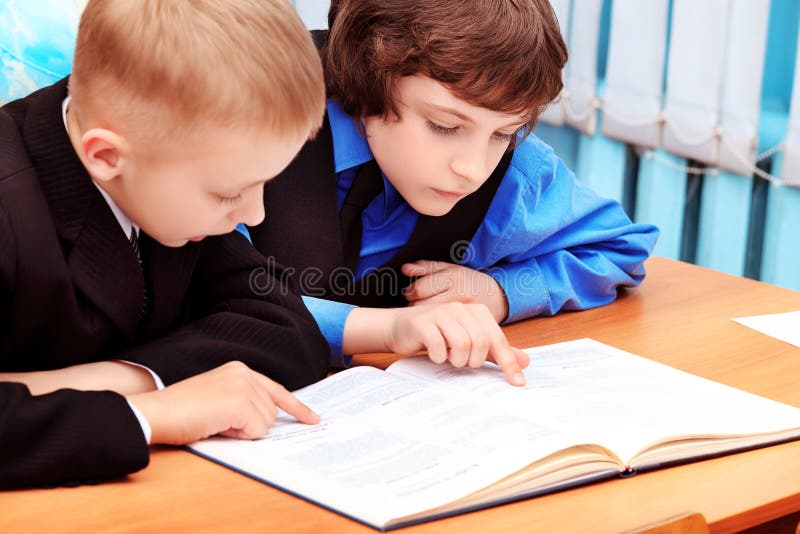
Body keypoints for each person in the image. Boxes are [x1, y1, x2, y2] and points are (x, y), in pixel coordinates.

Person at [0, 0, 330, 490]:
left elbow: (285, 327)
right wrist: (151, 413)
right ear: (107, 155)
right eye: (229, 193)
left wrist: (117, 380)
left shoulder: (163, 167)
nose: (254, 215)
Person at [248, 0, 659, 371]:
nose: (474, 169)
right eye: (445, 126)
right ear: (367, 73)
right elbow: (205, 292)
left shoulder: (511, 171)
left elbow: (618, 248)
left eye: (504, 134)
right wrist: (387, 327)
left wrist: (499, 293)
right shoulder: (245, 121)